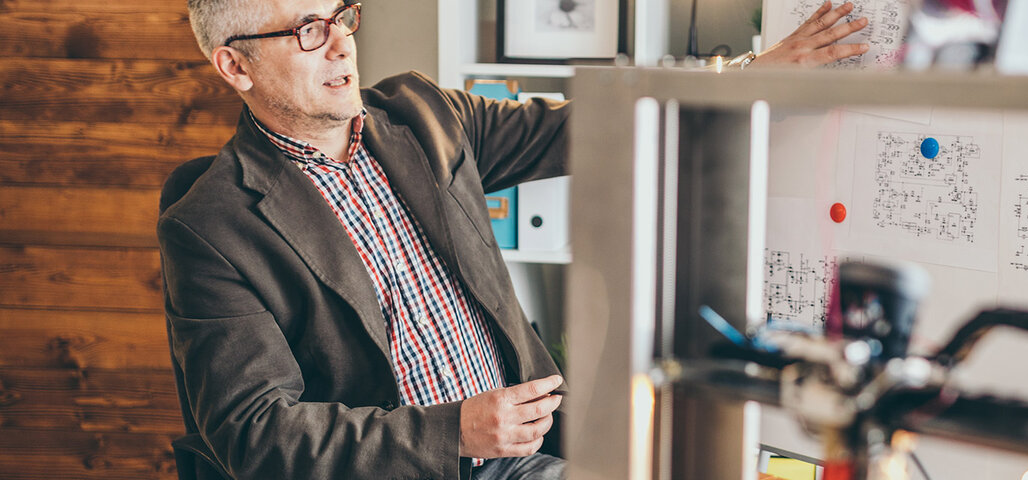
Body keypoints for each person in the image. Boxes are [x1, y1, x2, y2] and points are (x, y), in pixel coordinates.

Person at [161, 0, 868, 478]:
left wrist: (749, 78)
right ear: (235, 65)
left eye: (341, 14)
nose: (343, 40)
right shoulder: (213, 224)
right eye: (307, 29)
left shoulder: (422, 115)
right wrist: (454, 434)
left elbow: (591, 130)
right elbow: (255, 433)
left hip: (527, 460)